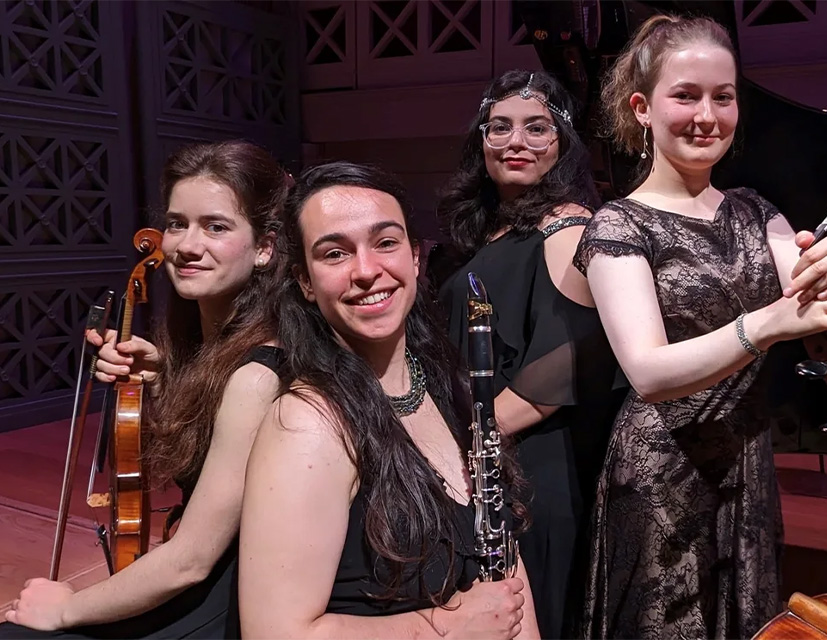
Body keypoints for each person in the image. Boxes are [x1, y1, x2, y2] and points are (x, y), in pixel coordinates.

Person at [571, 14, 827, 639]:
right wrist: (767, 323)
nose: (706, 116)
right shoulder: (617, 227)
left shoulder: (757, 212)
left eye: (723, 96)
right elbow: (648, 372)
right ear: (643, 107)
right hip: (662, 474)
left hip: (747, 466)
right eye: (685, 96)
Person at [238, 160, 539, 639]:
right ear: (305, 282)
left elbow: (504, 572)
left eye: (385, 242)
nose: (366, 271)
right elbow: (276, 633)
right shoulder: (308, 425)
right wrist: (448, 629)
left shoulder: (444, 383)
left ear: (416, 258)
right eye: (334, 254)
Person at [1, 140, 290, 639]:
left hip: (229, 604)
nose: (185, 245)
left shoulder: (259, 375)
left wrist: (68, 607)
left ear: (265, 247)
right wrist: (167, 374)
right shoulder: (219, 347)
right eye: (177, 223)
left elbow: (191, 561)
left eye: (216, 226)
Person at [433, 69, 623, 640]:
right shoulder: (495, 230)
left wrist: (462, 445)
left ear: (562, 143)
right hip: (491, 457)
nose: (516, 141)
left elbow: (559, 367)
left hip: (533, 468)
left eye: (536, 128)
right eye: (500, 128)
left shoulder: (567, 228)